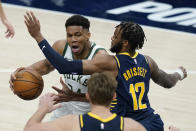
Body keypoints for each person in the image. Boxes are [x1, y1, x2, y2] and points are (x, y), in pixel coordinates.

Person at [24, 11, 187, 131]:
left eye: (115, 36)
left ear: (124, 43)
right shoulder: (148, 61)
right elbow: (167, 81)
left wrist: (38, 36)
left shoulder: (110, 62)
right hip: (151, 122)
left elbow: (65, 67)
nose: (111, 38)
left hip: (123, 124)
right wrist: (179, 73)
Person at [9, 14, 107, 120]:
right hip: (65, 106)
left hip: (90, 112)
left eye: (77, 35)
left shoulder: (99, 57)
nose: (73, 39)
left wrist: (75, 97)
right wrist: (22, 73)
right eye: (69, 35)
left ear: (88, 35)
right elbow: (47, 65)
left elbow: (107, 97)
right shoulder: (62, 47)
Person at [23, 72, 147, 131]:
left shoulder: (72, 122)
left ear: (87, 96)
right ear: (114, 96)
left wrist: (43, 108)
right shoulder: (131, 126)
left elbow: (29, 129)